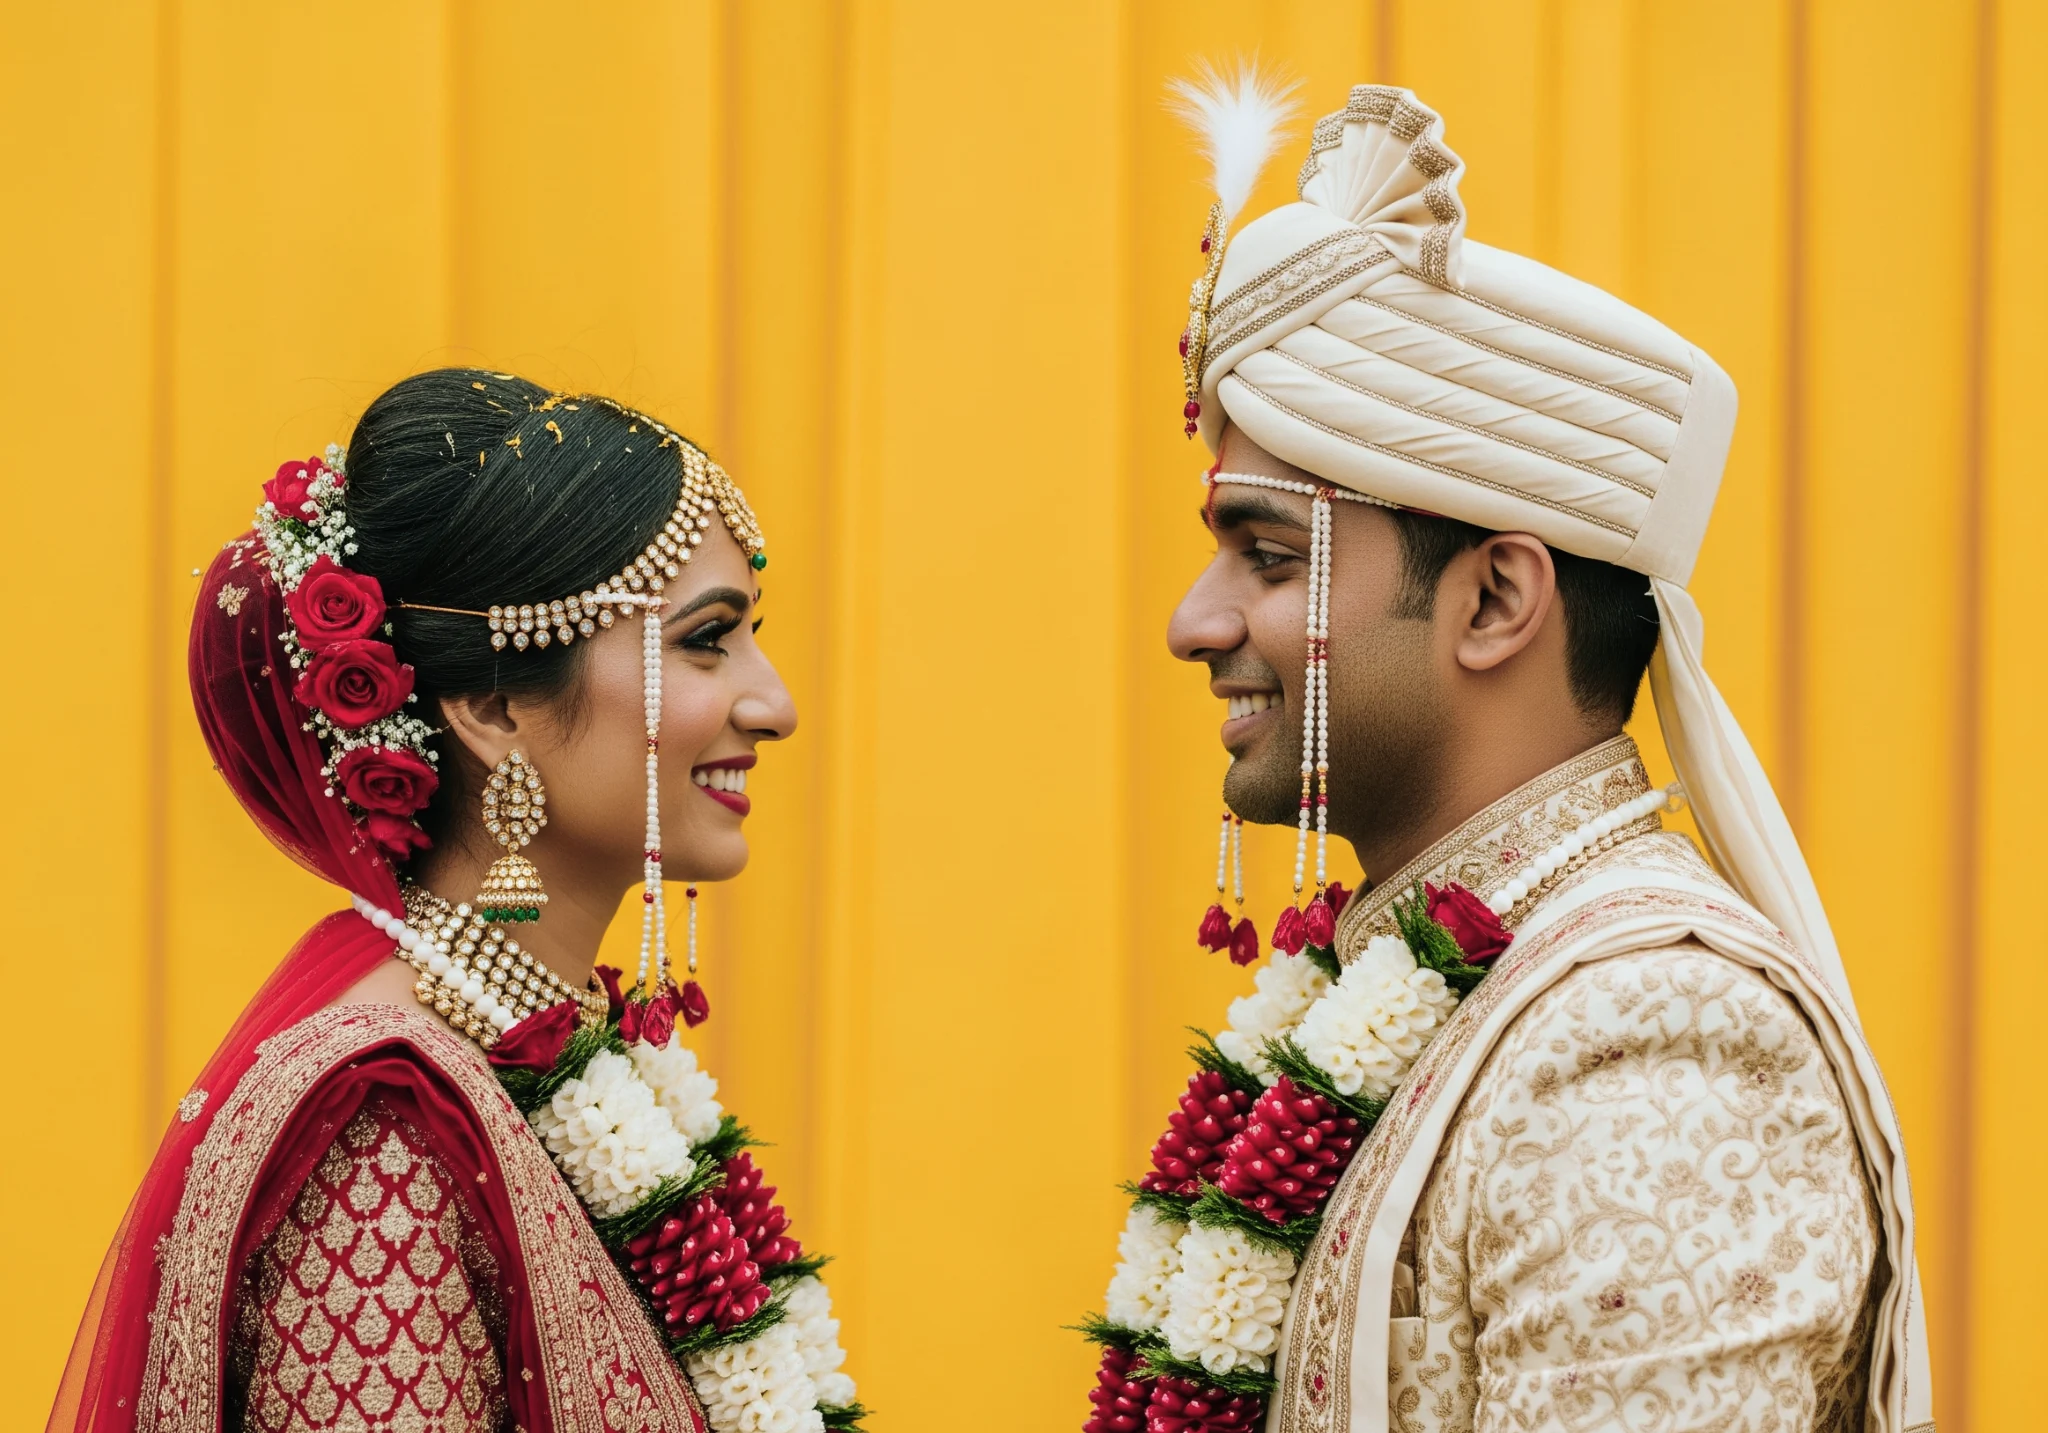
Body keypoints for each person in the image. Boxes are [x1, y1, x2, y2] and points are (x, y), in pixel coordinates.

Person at [1081, 77, 1928, 1433]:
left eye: (1271, 555)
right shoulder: (1430, 978)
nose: (1195, 622)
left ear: (1493, 601)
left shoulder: (1649, 1038)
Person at [50, 371, 862, 1433]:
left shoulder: (559, 1047)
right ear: (492, 705)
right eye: (706, 638)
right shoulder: (383, 1133)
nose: (777, 703)